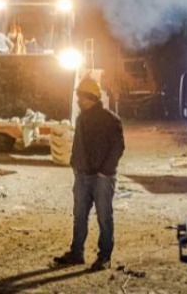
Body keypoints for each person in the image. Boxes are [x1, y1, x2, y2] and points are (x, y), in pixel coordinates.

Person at [53, 77, 125, 271]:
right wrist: (76, 166)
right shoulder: (81, 118)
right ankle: (77, 253)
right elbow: (79, 146)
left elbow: (118, 148)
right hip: (83, 176)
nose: (78, 101)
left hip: (101, 178)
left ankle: (104, 257)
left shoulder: (110, 120)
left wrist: (104, 172)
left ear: (91, 97)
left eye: (81, 97)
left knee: (104, 217)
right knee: (79, 216)